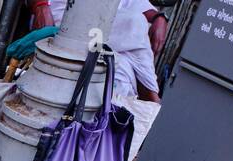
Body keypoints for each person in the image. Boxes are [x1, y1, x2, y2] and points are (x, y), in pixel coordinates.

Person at [28, 0, 166, 102]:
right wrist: (40, 5)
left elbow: (136, 4)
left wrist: (159, 18)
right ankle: (150, 96)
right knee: (135, 22)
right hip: (68, 19)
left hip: (109, 30)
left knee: (122, 69)